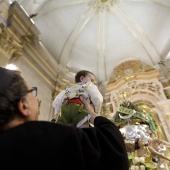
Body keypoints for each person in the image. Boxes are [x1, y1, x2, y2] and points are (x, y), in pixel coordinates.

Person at [0, 66, 129, 169]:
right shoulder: (47, 138)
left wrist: (57, 114)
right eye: (32, 92)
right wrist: (93, 112)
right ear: (24, 106)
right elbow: (114, 150)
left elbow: (57, 101)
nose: (36, 99)